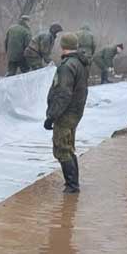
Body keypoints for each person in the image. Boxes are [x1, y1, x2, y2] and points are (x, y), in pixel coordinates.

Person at [44, 32, 89, 194]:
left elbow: (63, 94)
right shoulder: (80, 63)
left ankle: (72, 186)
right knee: (69, 147)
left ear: (63, 46)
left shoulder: (67, 66)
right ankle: (72, 183)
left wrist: (51, 116)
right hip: (76, 112)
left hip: (65, 113)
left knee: (62, 148)